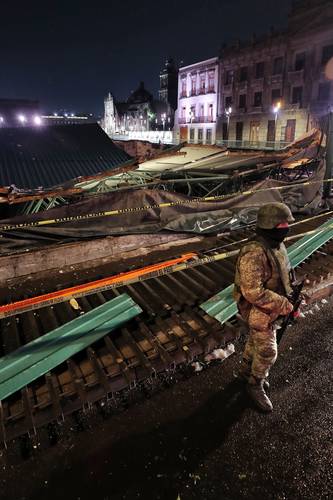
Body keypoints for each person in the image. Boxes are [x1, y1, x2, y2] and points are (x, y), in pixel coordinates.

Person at [233, 202, 295, 412]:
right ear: (269, 226)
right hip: (257, 309)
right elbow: (252, 292)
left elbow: (285, 270)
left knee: (255, 342)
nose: (286, 227)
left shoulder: (275, 244)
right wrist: (284, 304)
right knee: (268, 352)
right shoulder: (254, 253)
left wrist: (293, 294)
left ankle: (245, 373)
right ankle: (255, 384)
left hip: (271, 306)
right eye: (282, 224)